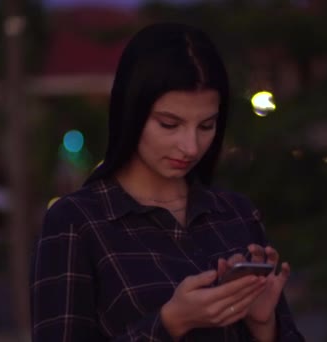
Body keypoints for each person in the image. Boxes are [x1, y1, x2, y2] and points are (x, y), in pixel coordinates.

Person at [30, 22, 305, 341]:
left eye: (206, 126)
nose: (190, 147)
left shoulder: (236, 215)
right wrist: (169, 323)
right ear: (131, 112)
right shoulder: (77, 222)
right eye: (169, 124)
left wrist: (263, 325)